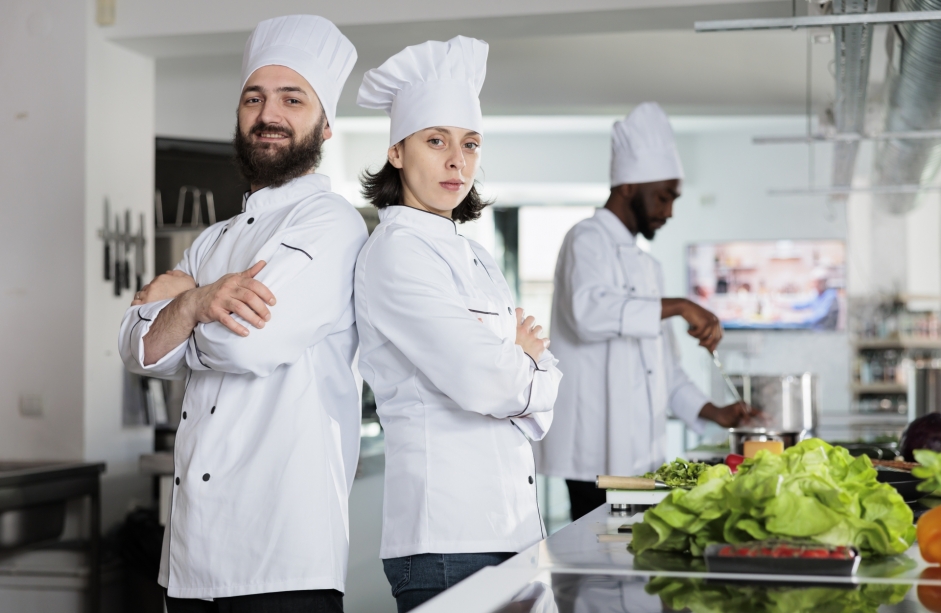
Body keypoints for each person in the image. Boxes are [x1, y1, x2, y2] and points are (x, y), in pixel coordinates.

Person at [118, 15, 366, 612]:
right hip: (190, 557)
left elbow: (247, 344)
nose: (268, 114)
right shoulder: (213, 240)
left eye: (291, 98)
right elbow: (137, 349)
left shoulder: (332, 224)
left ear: (325, 124)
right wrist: (201, 301)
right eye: (254, 98)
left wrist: (178, 315)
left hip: (283, 556)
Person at [354, 36, 563, 613]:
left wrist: (521, 367)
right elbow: (485, 381)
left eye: (470, 143)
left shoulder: (475, 256)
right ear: (397, 152)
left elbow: (529, 387)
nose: (457, 160)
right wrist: (523, 365)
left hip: (515, 529)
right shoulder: (396, 251)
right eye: (436, 140)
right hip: (447, 539)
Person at [533, 102, 755, 522]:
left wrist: (714, 412)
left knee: (631, 562)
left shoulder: (647, 265)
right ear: (629, 187)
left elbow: (664, 368)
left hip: (641, 454)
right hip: (593, 455)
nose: (668, 210)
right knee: (598, 571)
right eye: (663, 196)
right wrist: (681, 306)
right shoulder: (585, 239)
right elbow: (589, 314)